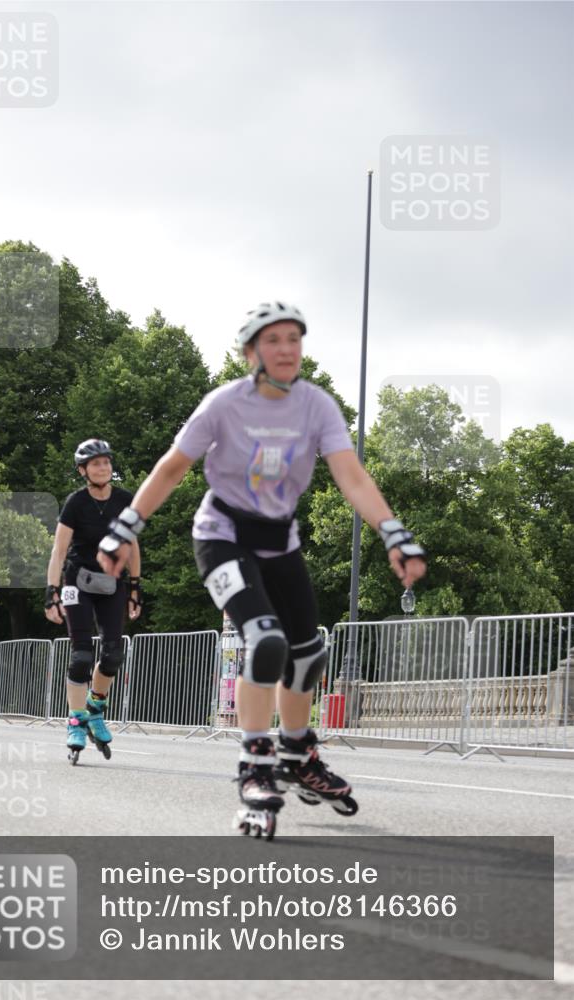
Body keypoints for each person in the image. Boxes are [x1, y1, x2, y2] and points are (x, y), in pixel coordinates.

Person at [96, 302, 426, 830]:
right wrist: (125, 526)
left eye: (295, 338)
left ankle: (297, 752)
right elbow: (173, 467)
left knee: (309, 653)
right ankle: (254, 762)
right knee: (266, 641)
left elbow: (352, 477)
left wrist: (394, 532)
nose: (287, 348)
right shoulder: (223, 404)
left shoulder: (316, 407)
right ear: (251, 352)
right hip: (222, 536)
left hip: (280, 543)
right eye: (274, 340)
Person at [45, 439, 142, 762]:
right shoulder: (75, 503)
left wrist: (135, 587)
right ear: (83, 470)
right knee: (82, 655)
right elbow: (59, 550)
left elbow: (132, 547)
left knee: (114, 653)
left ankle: (96, 707)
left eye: (106, 463)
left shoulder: (125, 500)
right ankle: (75, 721)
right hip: (77, 581)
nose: (104, 468)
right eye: (96, 464)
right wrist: (52, 591)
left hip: (112, 581)